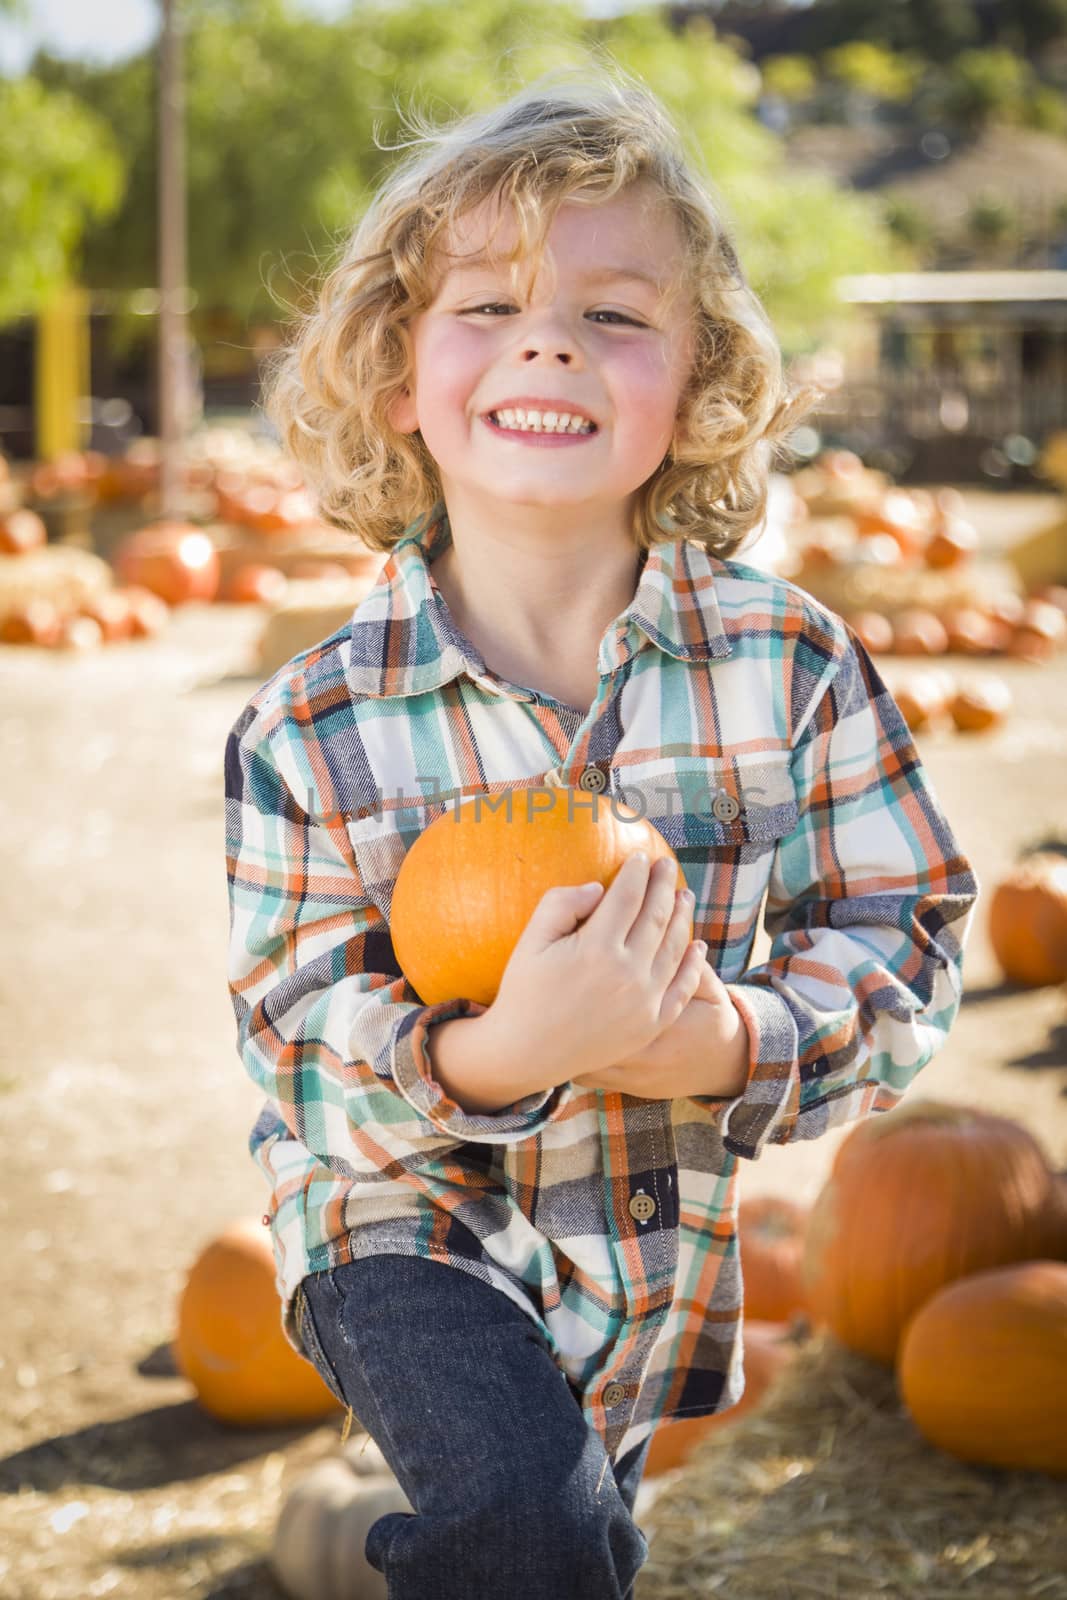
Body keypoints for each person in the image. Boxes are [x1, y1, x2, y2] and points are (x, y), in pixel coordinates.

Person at [224, 72, 978, 1600]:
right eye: (486, 306)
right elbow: (291, 1032)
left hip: (651, 1244)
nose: (549, 340)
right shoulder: (312, 725)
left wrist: (720, 1043)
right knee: (533, 1530)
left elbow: (906, 933)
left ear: (696, 381)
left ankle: (348, 1546)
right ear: (397, 374)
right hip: (399, 1214)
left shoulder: (790, 663)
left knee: (573, 1539)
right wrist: (498, 1054)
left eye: (615, 316)